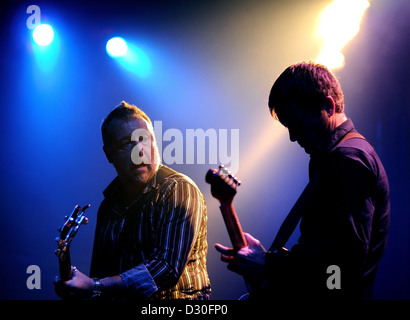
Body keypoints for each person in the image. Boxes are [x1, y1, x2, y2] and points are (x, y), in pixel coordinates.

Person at [215, 62, 390, 300]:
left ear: (328, 106)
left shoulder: (348, 158)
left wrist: (269, 265)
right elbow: (323, 252)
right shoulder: (331, 156)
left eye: (297, 123)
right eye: (288, 127)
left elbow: (342, 269)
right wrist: (271, 259)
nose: (293, 136)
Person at [56, 101, 211, 300]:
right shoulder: (108, 206)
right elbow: (102, 278)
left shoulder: (178, 189)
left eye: (145, 140)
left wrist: (94, 285)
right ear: (109, 154)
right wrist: (78, 289)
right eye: (126, 144)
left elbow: (165, 269)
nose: (139, 151)